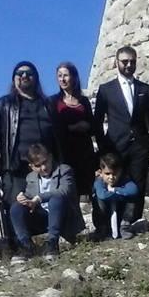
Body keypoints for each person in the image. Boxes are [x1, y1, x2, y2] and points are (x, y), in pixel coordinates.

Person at [0, 61, 60, 248]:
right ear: (14, 79)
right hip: (16, 166)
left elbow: (57, 134)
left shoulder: (47, 105)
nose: (24, 76)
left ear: (36, 78)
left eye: (29, 73)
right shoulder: (3, 104)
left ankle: (50, 240)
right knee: (17, 205)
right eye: (20, 73)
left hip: (45, 167)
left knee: (46, 203)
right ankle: (22, 245)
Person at [93, 46, 149, 225]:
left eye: (132, 62)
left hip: (139, 145)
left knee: (138, 183)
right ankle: (111, 223)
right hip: (115, 145)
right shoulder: (106, 89)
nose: (128, 65)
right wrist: (103, 144)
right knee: (115, 182)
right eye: (125, 61)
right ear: (116, 63)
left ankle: (131, 221)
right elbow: (98, 120)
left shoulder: (145, 89)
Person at [10, 143, 82, 259]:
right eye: (38, 165)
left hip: (63, 215)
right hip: (43, 217)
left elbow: (64, 191)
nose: (43, 168)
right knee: (16, 208)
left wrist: (40, 198)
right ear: (32, 166)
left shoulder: (64, 170)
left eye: (45, 162)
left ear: (51, 157)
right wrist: (22, 198)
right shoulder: (31, 177)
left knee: (56, 200)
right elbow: (30, 195)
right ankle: (25, 245)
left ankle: (52, 243)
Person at [50, 62, 97, 199]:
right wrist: (73, 127)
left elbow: (92, 125)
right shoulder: (53, 101)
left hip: (83, 152)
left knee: (86, 190)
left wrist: (87, 126)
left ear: (74, 77)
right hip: (64, 153)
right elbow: (53, 126)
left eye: (66, 75)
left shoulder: (83, 101)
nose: (62, 79)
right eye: (59, 76)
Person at [92, 152, 139, 240]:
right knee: (98, 199)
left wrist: (115, 190)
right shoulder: (99, 182)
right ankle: (102, 229)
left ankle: (124, 227)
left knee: (131, 199)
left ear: (120, 171)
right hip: (105, 213)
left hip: (120, 213)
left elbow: (134, 190)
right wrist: (121, 194)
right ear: (100, 172)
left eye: (115, 174)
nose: (111, 177)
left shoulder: (124, 180)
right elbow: (102, 195)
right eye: (107, 174)